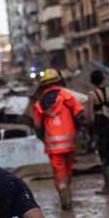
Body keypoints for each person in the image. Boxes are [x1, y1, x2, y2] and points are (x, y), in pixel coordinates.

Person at [33, 69, 86, 210]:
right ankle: (69, 198)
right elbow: (81, 116)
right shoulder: (66, 96)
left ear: (43, 86)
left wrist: (44, 140)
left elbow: (37, 128)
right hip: (69, 143)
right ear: (58, 81)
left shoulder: (39, 104)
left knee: (59, 173)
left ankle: (65, 203)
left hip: (53, 146)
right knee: (68, 171)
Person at [87, 70, 109, 195]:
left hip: (99, 125)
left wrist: (89, 129)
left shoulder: (92, 94)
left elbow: (90, 115)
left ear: (92, 81)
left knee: (103, 154)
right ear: (102, 79)